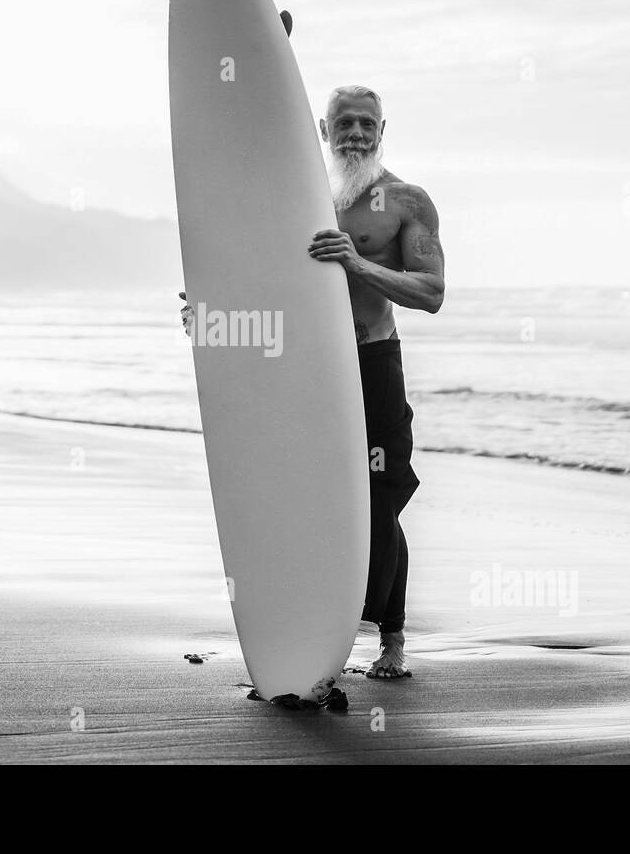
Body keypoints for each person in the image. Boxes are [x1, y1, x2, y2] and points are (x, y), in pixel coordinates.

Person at [179, 76, 445, 680]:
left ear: (382, 132)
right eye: (343, 123)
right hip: (303, 371)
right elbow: (253, 266)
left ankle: (392, 640)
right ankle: (305, 631)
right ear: (323, 131)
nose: (355, 133)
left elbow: (431, 293)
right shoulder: (293, 197)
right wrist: (209, 312)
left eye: (366, 124)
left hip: (372, 367)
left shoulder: (406, 202)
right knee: (300, 498)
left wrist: (355, 261)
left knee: (381, 500)